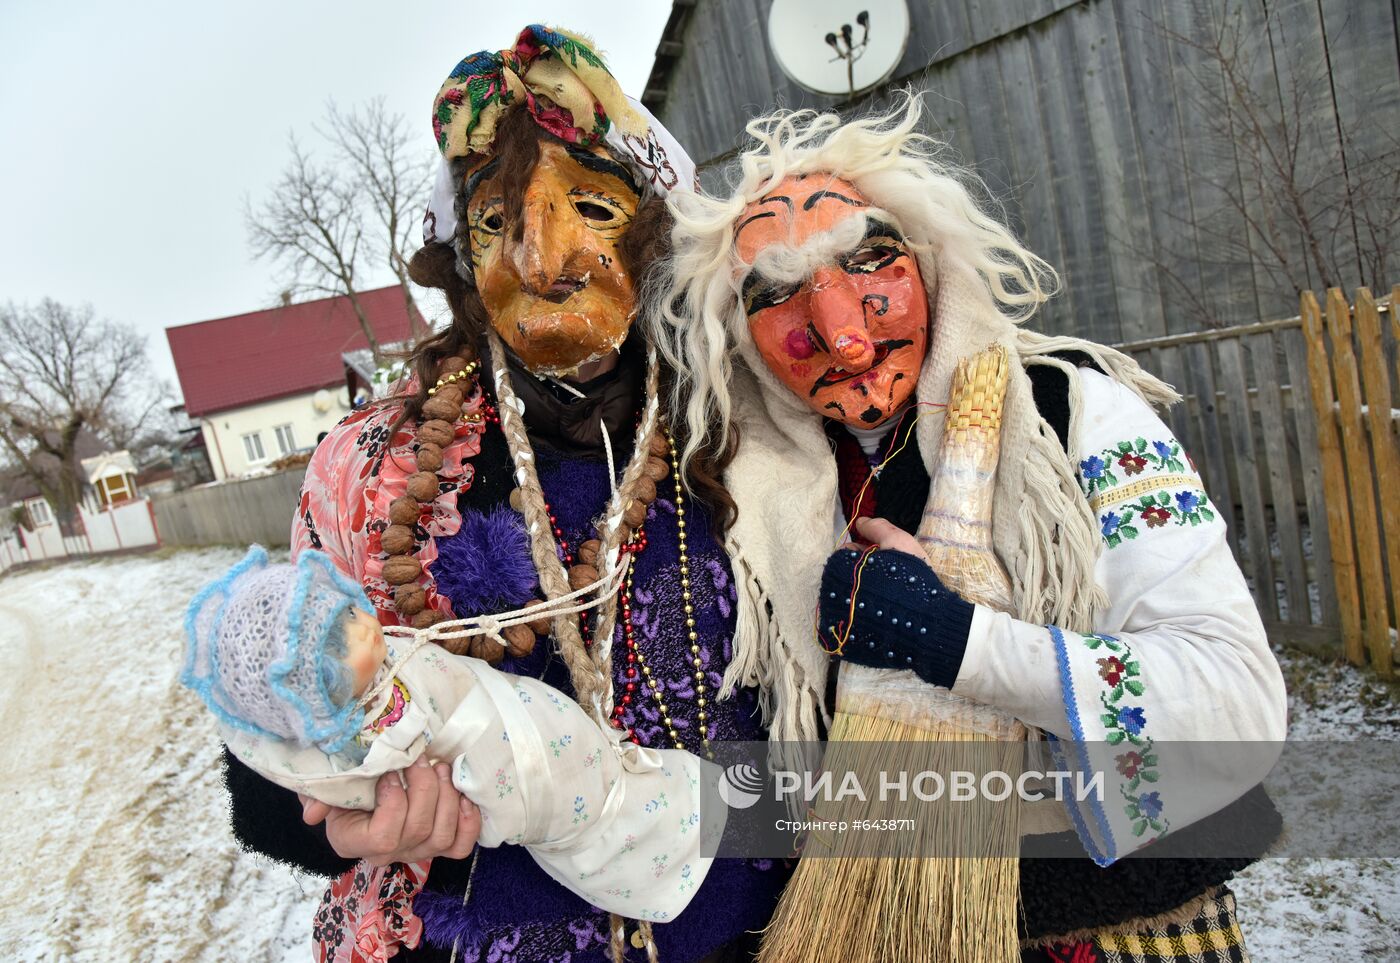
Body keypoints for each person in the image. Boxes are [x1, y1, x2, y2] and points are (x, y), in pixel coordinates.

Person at [650, 95, 1286, 961]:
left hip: (1129, 929)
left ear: (929, 259)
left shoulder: (1070, 416)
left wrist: (960, 643)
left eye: (868, 262)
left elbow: (1238, 704)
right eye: (781, 294)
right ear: (739, 334)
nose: (841, 333)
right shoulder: (741, 499)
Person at [222, 25, 794, 963]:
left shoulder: (759, 434)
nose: (544, 257)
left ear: (663, 231)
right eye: (495, 222)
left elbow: (853, 743)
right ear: (461, 265)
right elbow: (276, 759)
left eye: (594, 208)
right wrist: (348, 817)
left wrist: (684, 825)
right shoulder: (370, 472)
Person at [186, 546, 718, 926]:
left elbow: (801, 751)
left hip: (766, 868)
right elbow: (269, 792)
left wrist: (788, 817)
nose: (366, 630)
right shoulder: (365, 469)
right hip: (486, 922)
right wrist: (349, 823)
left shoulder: (770, 424)